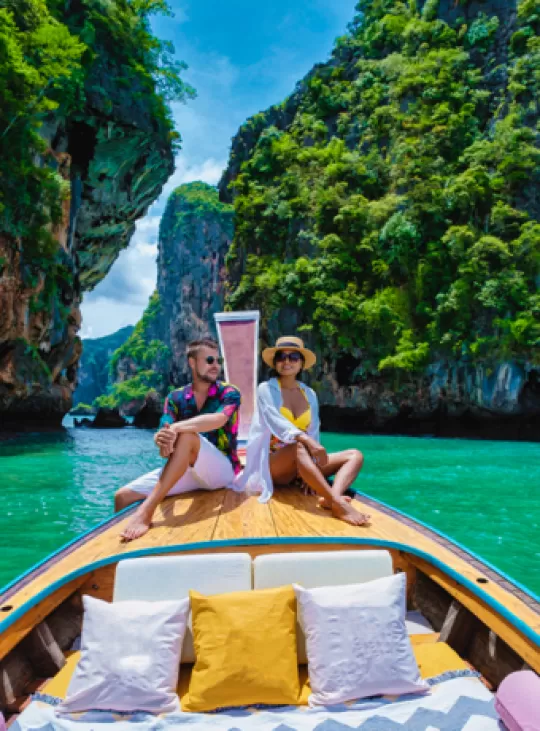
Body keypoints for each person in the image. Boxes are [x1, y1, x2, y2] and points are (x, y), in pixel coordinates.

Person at [115, 337, 241, 541]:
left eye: (218, 361)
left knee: (187, 437)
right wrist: (162, 440)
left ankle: (146, 512)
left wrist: (175, 428)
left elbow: (219, 419)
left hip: (222, 471)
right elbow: (165, 429)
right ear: (192, 362)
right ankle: (116, 548)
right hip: (186, 470)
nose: (215, 366)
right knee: (122, 496)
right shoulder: (174, 398)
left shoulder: (229, 392)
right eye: (210, 360)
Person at [235, 336, 369, 526]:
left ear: (301, 363)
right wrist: (308, 442)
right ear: (275, 363)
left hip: (303, 461)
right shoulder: (266, 389)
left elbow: (313, 430)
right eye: (281, 357)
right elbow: (277, 422)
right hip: (275, 464)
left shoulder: (309, 394)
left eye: (293, 357)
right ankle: (338, 503)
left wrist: (312, 466)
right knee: (298, 446)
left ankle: (331, 497)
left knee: (355, 455)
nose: (287, 361)